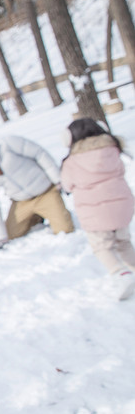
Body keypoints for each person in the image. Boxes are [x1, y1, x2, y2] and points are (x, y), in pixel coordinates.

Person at [60, 118, 135, 300]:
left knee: (102, 246)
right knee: (123, 242)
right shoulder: (112, 149)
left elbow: (67, 185)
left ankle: (121, 274)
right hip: (122, 206)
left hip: (95, 212)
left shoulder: (72, 161)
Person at [0, 135, 74, 250]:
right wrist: (1, 237)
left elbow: (39, 153)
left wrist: (57, 179)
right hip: (21, 201)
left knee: (65, 230)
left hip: (44, 191)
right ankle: (36, 216)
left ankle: (55, 211)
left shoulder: (5, 145)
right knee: (11, 234)